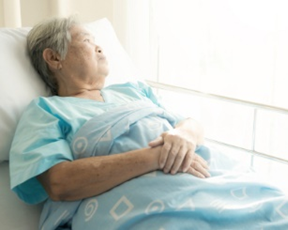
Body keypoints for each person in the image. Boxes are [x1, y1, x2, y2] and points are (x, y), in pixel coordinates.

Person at [10, 16, 210, 204]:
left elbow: (191, 124)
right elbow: (59, 183)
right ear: (54, 58)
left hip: (206, 182)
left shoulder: (135, 90)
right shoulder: (45, 111)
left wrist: (183, 134)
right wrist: (156, 157)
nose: (99, 47)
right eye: (87, 40)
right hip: (153, 203)